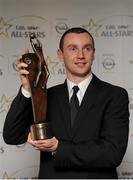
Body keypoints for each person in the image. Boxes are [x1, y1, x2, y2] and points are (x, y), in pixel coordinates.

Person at [3, 27, 129, 179]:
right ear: (60, 55)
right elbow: (12, 135)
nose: (80, 55)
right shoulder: (45, 97)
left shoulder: (115, 95)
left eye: (87, 48)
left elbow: (113, 153)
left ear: (94, 54)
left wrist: (58, 147)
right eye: (73, 49)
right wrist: (27, 89)